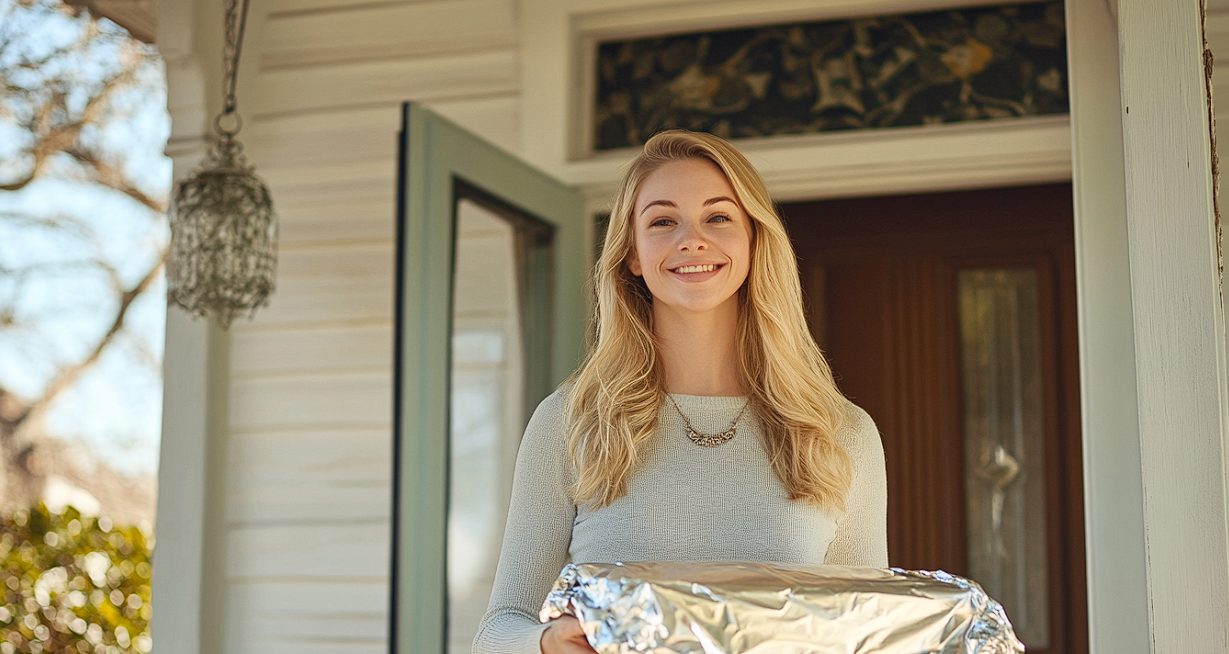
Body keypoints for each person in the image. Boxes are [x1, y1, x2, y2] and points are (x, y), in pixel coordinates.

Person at [472, 130, 887, 654]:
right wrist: (546, 643)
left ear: (754, 240)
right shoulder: (571, 421)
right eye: (662, 221)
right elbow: (497, 631)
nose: (691, 239)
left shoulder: (841, 432)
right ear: (632, 256)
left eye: (718, 217)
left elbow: (870, 632)